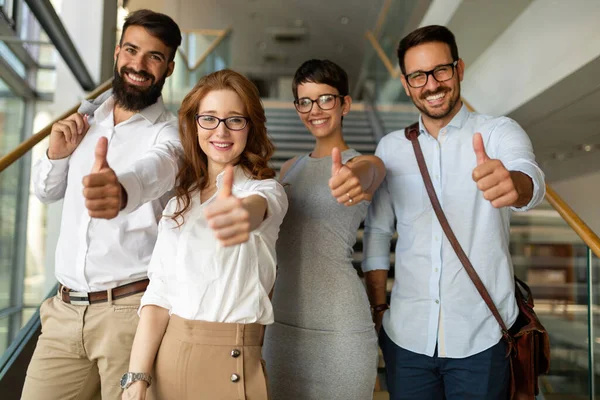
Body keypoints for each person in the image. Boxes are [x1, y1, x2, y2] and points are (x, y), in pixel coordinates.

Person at [362, 25, 546, 400]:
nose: (431, 85)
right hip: (407, 339)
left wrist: (515, 184)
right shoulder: (391, 147)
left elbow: (529, 176)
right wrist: (378, 308)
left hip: (483, 340)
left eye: (440, 70)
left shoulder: (497, 133)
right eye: (418, 76)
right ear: (406, 83)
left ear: (459, 68)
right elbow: (378, 232)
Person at [23, 10, 182, 400]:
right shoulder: (85, 119)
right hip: (62, 312)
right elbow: (45, 193)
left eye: (154, 57)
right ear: (117, 52)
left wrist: (121, 189)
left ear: (169, 67)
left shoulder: (172, 135)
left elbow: (155, 171)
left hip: (130, 315)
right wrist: (56, 154)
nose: (139, 65)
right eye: (132, 50)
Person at [121, 69, 288, 400]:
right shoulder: (178, 203)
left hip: (231, 364)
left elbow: (261, 207)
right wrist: (136, 378)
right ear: (194, 124)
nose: (221, 131)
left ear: (250, 126)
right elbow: (158, 298)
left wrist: (244, 214)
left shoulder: (266, 190)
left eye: (234, 120)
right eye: (209, 119)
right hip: (165, 362)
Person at [263, 59, 387, 400]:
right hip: (280, 325)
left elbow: (369, 173)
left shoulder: (364, 162)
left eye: (325, 99)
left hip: (340, 327)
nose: (314, 110)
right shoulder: (288, 168)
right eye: (305, 101)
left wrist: (354, 177)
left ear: (345, 104)